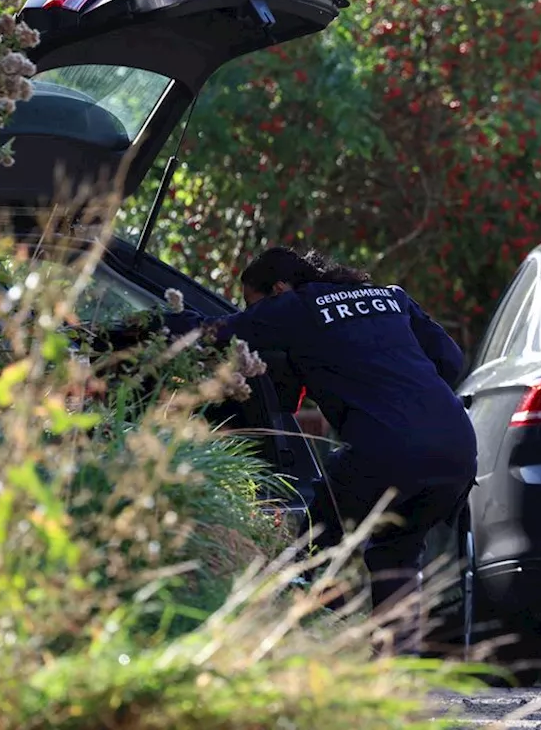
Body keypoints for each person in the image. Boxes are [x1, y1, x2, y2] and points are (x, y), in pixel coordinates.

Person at [162, 247, 477, 651]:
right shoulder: (392, 297)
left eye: (254, 303)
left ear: (277, 288)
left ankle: (332, 650)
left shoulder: (293, 305)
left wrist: (165, 321)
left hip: (385, 449)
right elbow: (450, 360)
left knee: (312, 545)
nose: (256, 312)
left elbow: (216, 332)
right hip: (456, 446)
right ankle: (401, 666)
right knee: (396, 552)